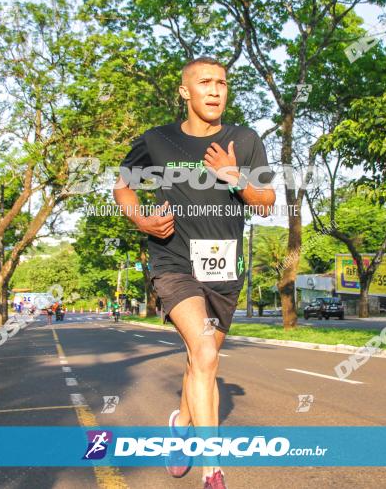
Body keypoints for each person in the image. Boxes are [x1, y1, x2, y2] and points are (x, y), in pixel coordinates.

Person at [113, 56, 275, 488]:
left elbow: (266, 200)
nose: (216, 90)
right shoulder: (157, 140)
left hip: (223, 263)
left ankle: (180, 425)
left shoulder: (244, 139)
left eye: (222, 82)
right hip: (173, 260)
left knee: (198, 361)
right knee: (204, 353)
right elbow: (122, 185)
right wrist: (142, 220)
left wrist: (234, 177)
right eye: (205, 82)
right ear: (185, 91)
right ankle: (213, 471)